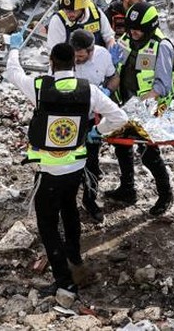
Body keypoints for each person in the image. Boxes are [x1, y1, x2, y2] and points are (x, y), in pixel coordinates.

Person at [3, 34, 128, 297]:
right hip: (75, 167)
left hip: (49, 171)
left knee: (48, 225)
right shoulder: (89, 90)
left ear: (51, 62)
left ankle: (64, 281)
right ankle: (75, 259)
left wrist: (14, 49)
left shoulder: (39, 86)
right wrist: (97, 130)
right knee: (70, 210)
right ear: (74, 62)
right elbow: (119, 117)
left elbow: (13, 73)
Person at [105, 1, 174, 216]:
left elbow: (162, 86)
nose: (134, 33)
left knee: (149, 154)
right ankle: (127, 189)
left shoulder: (161, 46)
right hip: (126, 103)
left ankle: (165, 194)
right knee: (121, 146)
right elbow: (118, 69)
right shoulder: (127, 39)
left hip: (151, 107)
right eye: (131, 28)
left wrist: (140, 105)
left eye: (138, 29)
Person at [70, 29, 119, 224]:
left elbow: (114, 77)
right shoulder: (63, 57)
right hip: (70, 118)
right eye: (75, 56)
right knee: (69, 162)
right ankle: (67, 201)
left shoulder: (102, 55)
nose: (77, 60)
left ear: (91, 51)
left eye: (81, 57)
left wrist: (107, 91)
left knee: (91, 161)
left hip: (92, 118)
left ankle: (89, 200)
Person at [47, 0, 116, 50]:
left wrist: (111, 52)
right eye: (65, 9)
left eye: (73, 11)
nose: (68, 14)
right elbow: (54, 52)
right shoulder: (58, 21)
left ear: (83, 8)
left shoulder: (96, 14)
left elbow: (109, 38)